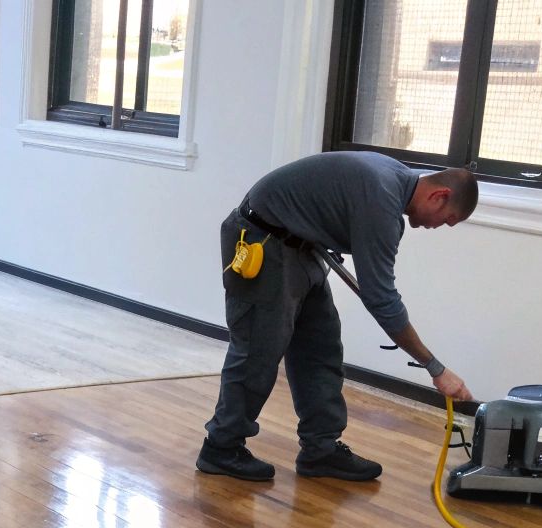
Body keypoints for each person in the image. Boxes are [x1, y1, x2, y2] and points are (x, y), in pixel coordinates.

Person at [198, 151, 477, 483]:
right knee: (258, 351)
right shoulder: (382, 200)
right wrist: (435, 367)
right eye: (447, 218)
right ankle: (221, 447)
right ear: (439, 195)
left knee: (321, 348)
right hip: (265, 240)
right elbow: (382, 299)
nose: (438, 227)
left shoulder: (395, 185)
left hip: (304, 247)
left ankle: (321, 450)